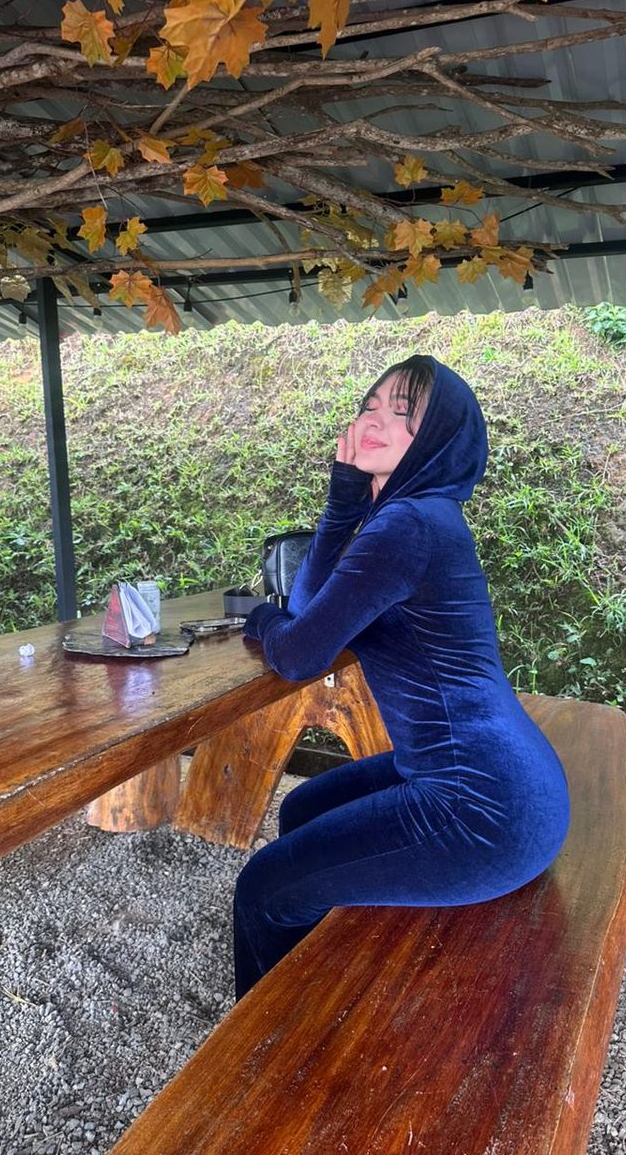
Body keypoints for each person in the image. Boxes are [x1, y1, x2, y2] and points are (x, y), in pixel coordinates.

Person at [234, 354, 570, 999]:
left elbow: (297, 651)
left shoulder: (408, 524)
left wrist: (259, 618)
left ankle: (269, 1037)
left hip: (480, 808)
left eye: (403, 413)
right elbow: (307, 610)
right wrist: (341, 504)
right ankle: (314, 971)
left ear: (439, 438)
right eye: (369, 406)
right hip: (497, 780)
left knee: (263, 888)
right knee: (302, 808)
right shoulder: (416, 515)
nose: (373, 422)